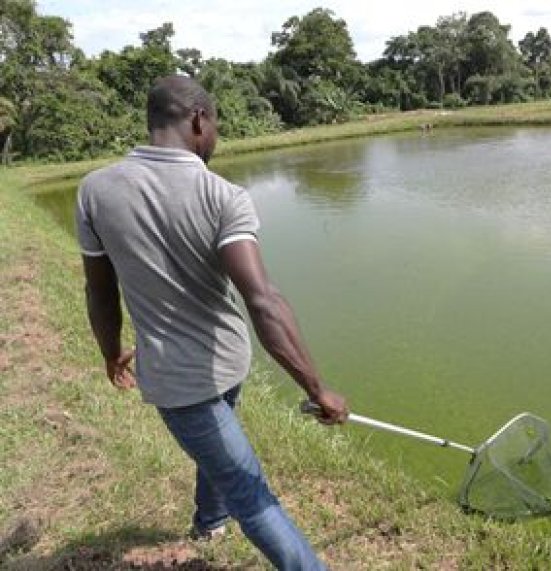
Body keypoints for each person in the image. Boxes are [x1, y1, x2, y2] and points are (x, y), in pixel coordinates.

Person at [75, 75, 348, 570]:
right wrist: (316, 387)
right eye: (216, 123)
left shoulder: (95, 190)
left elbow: (99, 289)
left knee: (219, 450)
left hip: (184, 376)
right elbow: (262, 300)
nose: (216, 135)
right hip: (210, 371)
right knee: (253, 494)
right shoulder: (224, 195)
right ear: (199, 119)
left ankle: (208, 520)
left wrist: (110, 350)